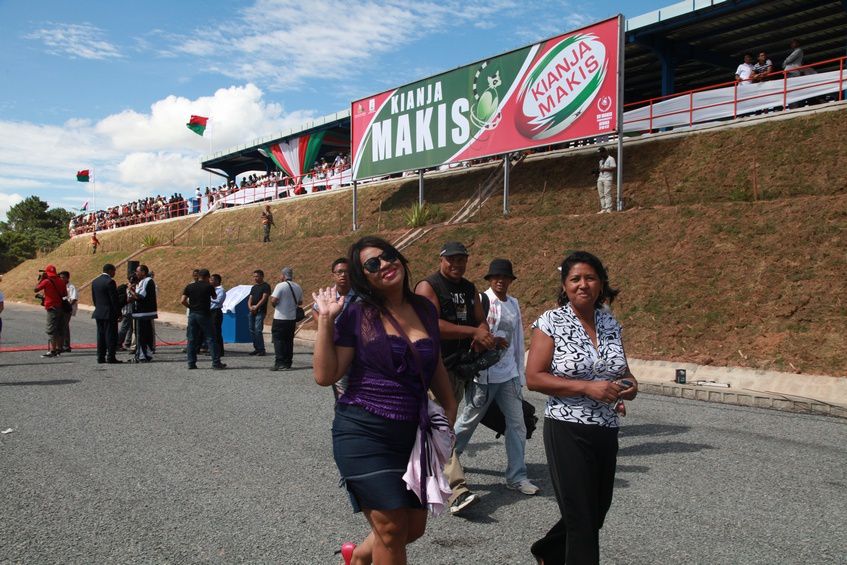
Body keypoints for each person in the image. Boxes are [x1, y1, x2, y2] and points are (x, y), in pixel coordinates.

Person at [312, 236, 458, 565]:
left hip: (412, 435)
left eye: (388, 256)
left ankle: (359, 557)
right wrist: (325, 321)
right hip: (364, 432)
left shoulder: (423, 308)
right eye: (373, 264)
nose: (385, 265)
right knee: (391, 529)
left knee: (412, 529)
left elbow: (433, 361)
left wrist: (449, 409)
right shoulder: (357, 314)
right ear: (364, 277)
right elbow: (326, 375)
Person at [526, 251, 639, 565]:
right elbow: (534, 378)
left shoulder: (609, 322)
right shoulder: (551, 321)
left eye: (590, 278)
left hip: (605, 429)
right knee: (581, 521)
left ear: (601, 283)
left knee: (596, 512)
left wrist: (627, 388)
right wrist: (589, 387)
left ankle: (548, 551)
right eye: (575, 279)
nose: (583, 284)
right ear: (565, 285)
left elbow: (624, 373)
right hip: (566, 428)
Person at [415, 241, 496, 516]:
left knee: (439, 428)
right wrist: (472, 332)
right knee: (441, 430)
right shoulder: (429, 286)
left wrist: (483, 334)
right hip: (433, 367)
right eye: (452, 259)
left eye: (462, 260)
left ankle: (416, 475)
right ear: (441, 259)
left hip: (459, 368)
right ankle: (457, 491)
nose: (457, 265)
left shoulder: (469, 288)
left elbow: (480, 319)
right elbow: (431, 325)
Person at [453, 259, 540, 496]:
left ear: (511, 280)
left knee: (517, 424)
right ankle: (446, 463)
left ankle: (516, 476)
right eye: (496, 277)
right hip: (484, 374)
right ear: (490, 280)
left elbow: (518, 339)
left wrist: (520, 374)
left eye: (505, 277)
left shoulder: (513, 303)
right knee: (468, 422)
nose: (501, 281)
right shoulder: (482, 301)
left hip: (508, 373)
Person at [313, 258, 355, 396]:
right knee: (338, 387)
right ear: (333, 275)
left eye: (347, 272)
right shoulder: (326, 296)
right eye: (339, 272)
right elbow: (315, 310)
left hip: (353, 348)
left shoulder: (361, 297)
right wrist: (325, 325)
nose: (343, 275)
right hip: (331, 346)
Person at [181, 268, 226, 370]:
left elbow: (182, 300)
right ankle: (216, 363)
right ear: (207, 277)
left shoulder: (190, 286)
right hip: (204, 314)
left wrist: (191, 307)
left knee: (192, 339)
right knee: (211, 338)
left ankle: (191, 363)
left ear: (198, 276)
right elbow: (214, 298)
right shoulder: (209, 287)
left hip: (193, 314)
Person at [269, 267, 303, 371]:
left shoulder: (280, 286)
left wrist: (275, 305)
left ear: (283, 275)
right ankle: (288, 362)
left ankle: (279, 362)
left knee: (278, 340)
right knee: (289, 341)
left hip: (280, 317)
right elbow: (300, 302)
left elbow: (273, 300)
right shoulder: (298, 286)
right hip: (292, 318)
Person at [91, 263, 122, 364]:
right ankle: (111, 357)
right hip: (109, 313)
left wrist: (99, 308)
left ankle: (100, 357)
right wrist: (119, 313)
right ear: (110, 271)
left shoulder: (95, 281)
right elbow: (114, 300)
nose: (114, 273)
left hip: (99, 312)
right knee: (111, 335)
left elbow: (94, 299)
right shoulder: (110, 282)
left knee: (100, 335)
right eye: (114, 271)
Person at [34, 264, 67, 358]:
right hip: (61, 307)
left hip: (51, 308)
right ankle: (59, 349)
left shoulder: (46, 281)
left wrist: (41, 279)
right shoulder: (61, 281)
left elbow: (36, 289)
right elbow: (65, 294)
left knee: (51, 330)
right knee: (60, 329)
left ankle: (53, 350)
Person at [128, 264, 157, 363]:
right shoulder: (144, 282)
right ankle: (147, 354)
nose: (136, 273)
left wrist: (130, 289)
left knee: (141, 335)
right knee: (147, 334)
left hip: (143, 313)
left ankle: (141, 356)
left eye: (137, 271)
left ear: (143, 272)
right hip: (146, 313)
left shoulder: (146, 281)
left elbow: (139, 296)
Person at [247, 269, 271, 356]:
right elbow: (250, 298)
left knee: (258, 330)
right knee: (252, 330)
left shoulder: (266, 286)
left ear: (262, 276)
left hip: (260, 311)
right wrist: (250, 307)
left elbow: (264, 298)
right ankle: (256, 348)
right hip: (252, 310)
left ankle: (261, 349)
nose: (255, 278)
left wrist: (256, 307)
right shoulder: (254, 287)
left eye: (257, 276)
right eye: (254, 276)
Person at [59, 270, 78, 352]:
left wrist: (68, 307)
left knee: (64, 326)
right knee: (64, 326)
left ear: (67, 278)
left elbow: (74, 298)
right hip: (61, 308)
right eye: (60, 277)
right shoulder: (60, 286)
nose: (61, 279)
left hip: (67, 309)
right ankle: (64, 345)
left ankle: (65, 346)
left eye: (63, 277)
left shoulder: (71, 287)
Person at [117, 274, 136, 351]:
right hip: (127, 310)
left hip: (128, 310)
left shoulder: (126, 286)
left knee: (130, 328)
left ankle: (127, 343)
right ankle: (118, 344)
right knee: (124, 328)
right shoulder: (128, 288)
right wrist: (135, 297)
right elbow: (128, 300)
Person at [595, 147, 616, 214]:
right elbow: (600, 170)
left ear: (604, 152)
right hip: (600, 178)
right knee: (601, 194)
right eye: (599, 154)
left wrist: (604, 169)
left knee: (607, 193)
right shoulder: (600, 161)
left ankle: (609, 208)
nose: (600, 155)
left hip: (608, 178)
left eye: (601, 153)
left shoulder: (611, 159)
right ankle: (603, 208)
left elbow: (613, 168)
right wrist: (597, 172)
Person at [210, 273, 226, 358]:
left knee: (216, 332)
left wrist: (209, 298)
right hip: (210, 312)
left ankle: (219, 351)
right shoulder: (211, 289)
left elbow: (219, 300)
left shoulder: (221, 290)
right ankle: (213, 350)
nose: (210, 281)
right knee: (211, 333)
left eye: (212, 280)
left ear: (217, 281)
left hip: (216, 312)